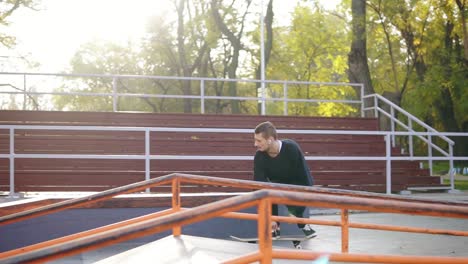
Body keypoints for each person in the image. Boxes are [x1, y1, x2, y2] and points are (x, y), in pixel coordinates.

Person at [253, 121, 316, 238]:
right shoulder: (259, 156)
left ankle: (303, 224)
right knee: (268, 191)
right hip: (276, 186)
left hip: (295, 184)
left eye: (259, 140)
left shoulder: (291, 148)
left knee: (292, 196)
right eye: (255, 140)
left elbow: (305, 178)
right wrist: (269, 216)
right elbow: (258, 184)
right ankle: (274, 227)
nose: (255, 144)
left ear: (270, 139)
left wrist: (296, 210)